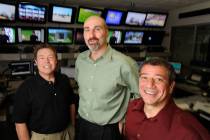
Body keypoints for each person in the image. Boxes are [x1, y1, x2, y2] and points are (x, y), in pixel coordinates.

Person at [75, 15, 139, 140]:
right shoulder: (80, 59)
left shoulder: (124, 63)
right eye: (87, 29)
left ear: (106, 32)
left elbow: (140, 95)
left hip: (108, 130)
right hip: (82, 124)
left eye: (97, 29)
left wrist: (127, 119)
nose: (91, 34)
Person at [124, 58, 210, 140]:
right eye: (144, 77)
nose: (149, 85)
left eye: (159, 79)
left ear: (171, 86)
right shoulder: (131, 107)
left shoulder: (188, 133)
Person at [13, 44, 76, 140]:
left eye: (50, 57)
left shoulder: (64, 80)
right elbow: (20, 122)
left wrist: (72, 126)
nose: (46, 61)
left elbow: (71, 103)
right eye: (41, 58)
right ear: (36, 62)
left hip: (67, 133)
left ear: (56, 60)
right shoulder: (26, 88)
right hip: (43, 137)